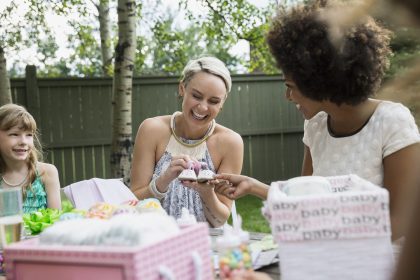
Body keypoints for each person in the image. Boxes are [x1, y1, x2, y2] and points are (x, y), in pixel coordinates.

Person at [215, 1, 420, 242]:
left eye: (291, 87)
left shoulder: (392, 121)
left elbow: (401, 221)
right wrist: (252, 186)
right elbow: (306, 199)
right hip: (324, 258)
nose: (287, 97)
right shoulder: (316, 126)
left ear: (320, 80)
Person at [130, 56, 244, 227]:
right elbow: (134, 202)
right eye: (197, 96)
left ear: (223, 102)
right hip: (154, 237)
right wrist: (163, 180)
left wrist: (206, 193)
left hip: (206, 242)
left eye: (214, 101)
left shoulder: (230, 143)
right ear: (182, 88)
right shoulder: (151, 130)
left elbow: (219, 221)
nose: (203, 107)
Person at [0, 104, 61, 213]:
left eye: (29, 135)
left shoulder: (47, 172)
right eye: (14, 134)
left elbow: (56, 223)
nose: (23, 141)